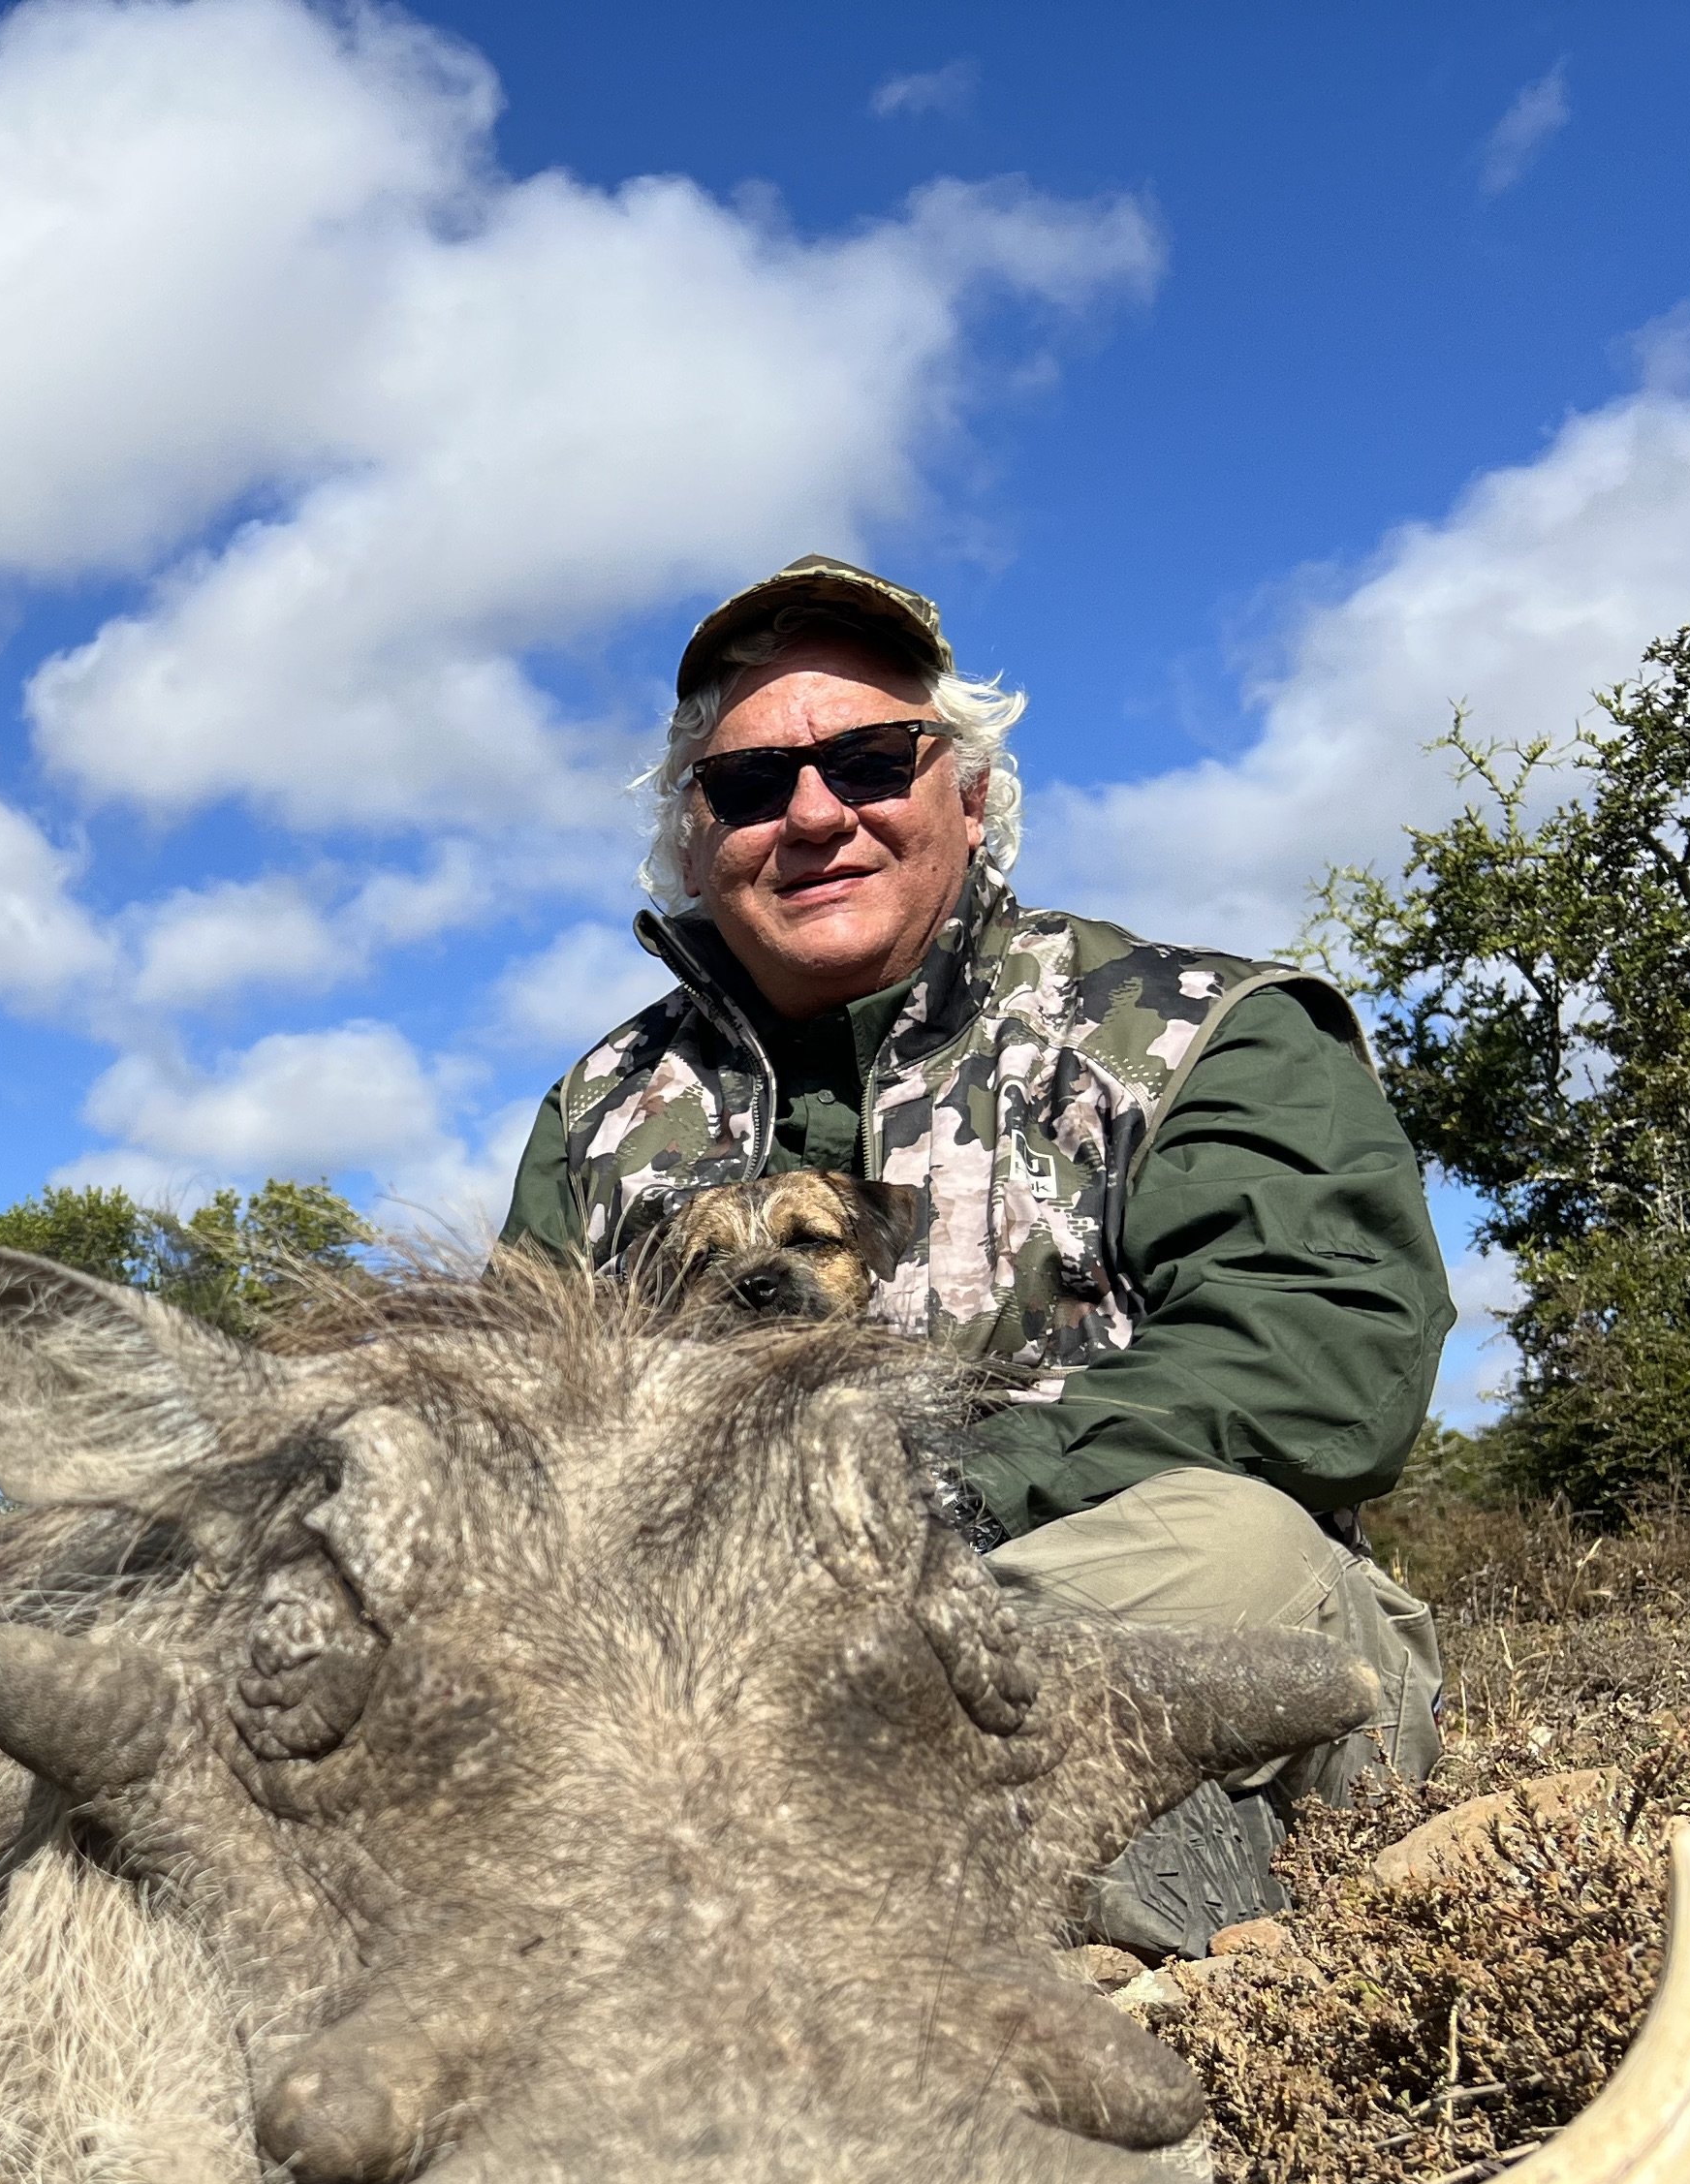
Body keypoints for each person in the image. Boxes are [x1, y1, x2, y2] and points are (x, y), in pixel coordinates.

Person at [498, 557, 1453, 1956]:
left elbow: (1325, 1358)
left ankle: (1051, 1922)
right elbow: (514, 1429)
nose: (816, 815)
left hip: (1087, 1602)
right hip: (702, 1658)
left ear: (972, 793)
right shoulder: (601, 1112)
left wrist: (938, 1499)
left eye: (875, 758)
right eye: (752, 786)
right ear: (695, 843)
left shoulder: (1200, 1029)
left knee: (1232, 1545)